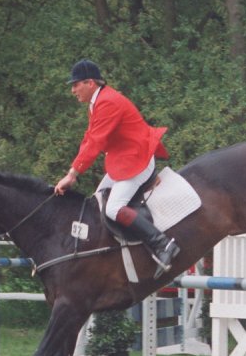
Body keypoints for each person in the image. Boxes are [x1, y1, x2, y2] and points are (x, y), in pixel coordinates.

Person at [54, 59, 179, 273]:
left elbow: (95, 143)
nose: (73, 90)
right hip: (122, 159)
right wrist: (71, 171)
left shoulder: (107, 102)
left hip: (136, 159)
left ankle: (162, 244)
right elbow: (89, 138)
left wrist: (73, 174)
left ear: (90, 83)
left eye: (76, 84)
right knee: (99, 199)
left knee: (113, 208)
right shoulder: (98, 101)